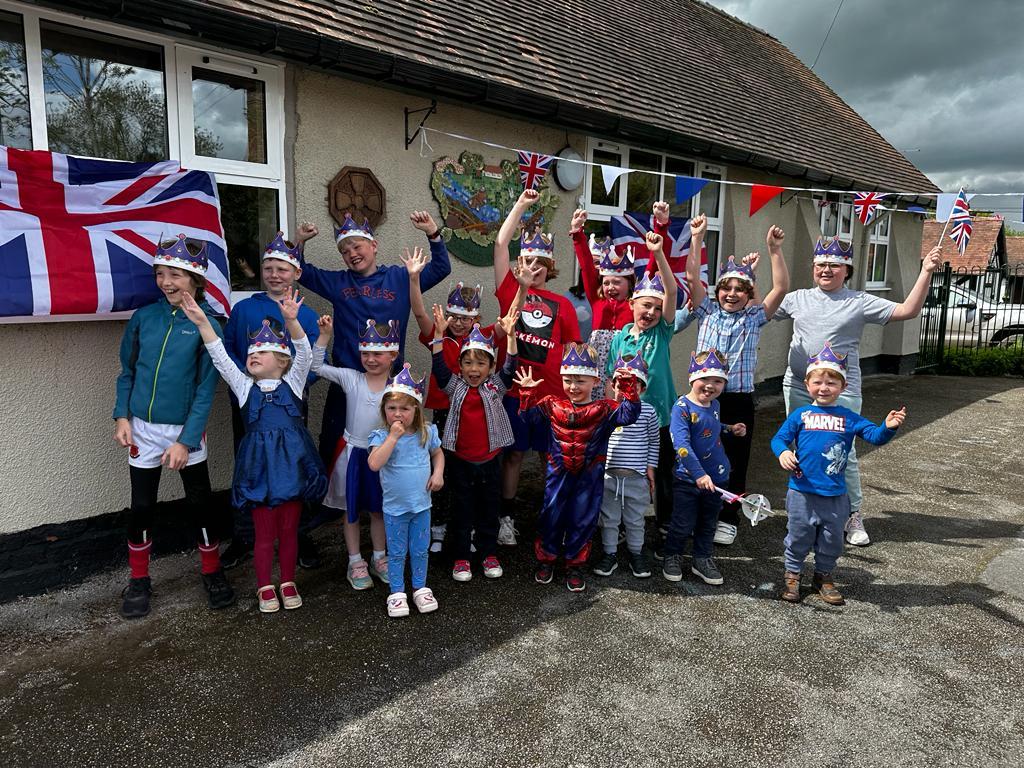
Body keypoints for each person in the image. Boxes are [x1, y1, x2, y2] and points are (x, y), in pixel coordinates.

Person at [773, 238, 941, 546]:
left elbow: (907, 310)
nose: (826, 270)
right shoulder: (797, 298)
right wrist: (774, 253)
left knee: (842, 453)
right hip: (798, 385)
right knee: (802, 449)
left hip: (843, 390)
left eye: (834, 265)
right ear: (813, 268)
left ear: (846, 270)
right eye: (821, 264)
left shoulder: (859, 301)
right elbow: (765, 306)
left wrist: (926, 271)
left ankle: (851, 514)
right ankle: (804, 512)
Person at [294, 211, 450, 527]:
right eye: (345, 250)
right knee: (334, 439)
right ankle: (332, 503)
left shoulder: (400, 277)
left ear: (374, 246)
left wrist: (433, 234)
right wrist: (299, 241)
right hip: (347, 378)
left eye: (358, 246)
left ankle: (384, 500)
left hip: (390, 384)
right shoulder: (339, 283)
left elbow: (441, 268)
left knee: (391, 439)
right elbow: (301, 272)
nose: (352, 254)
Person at [180, 289, 327, 613]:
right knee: (263, 534)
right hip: (260, 471)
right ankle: (264, 586)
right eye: (251, 352)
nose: (254, 355)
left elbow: (304, 351)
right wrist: (204, 323)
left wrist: (291, 321)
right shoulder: (244, 387)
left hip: (293, 469)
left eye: (263, 350)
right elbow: (220, 356)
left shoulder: (295, 382)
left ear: (282, 360)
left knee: (289, 531)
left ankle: (287, 581)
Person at [112, 235, 234, 618]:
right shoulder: (143, 319)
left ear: (196, 280)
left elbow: (205, 390)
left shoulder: (208, 324)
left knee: (200, 505)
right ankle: (139, 579)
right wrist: (121, 416)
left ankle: (212, 572)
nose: (167, 282)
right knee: (142, 507)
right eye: (161, 274)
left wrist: (184, 440)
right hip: (142, 431)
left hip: (186, 433)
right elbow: (127, 372)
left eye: (176, 275)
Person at [406, 249, 534, 554]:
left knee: (476, 478)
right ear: (448, 315)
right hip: (443, 412)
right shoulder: (439, 335)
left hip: (478, 415)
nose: (461, 323)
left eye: (467, 318)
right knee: (442, 474)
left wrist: (524, 287)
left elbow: (510, 319)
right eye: (456, 317)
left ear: (476, 318)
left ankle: (476, 528)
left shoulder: (485, 337)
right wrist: (413, 280)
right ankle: (439, 528)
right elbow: (420, 314)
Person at [771, 343, 905, 604]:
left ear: (843, 387)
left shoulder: (849, 416)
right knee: (798, 536)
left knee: (832, 541)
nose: (824, 388)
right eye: (818, 382)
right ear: (807, 385)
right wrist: (783, 453)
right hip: (801, 491)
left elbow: (874, 437)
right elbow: (779, 439)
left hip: (835, 494)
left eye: (831, 383)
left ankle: (823, 576)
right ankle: (792, 575)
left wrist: (887, 427)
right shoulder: (801, 414)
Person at [684, 217, 789, 546]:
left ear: (749, 294)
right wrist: (697, 238)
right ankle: (698, 512)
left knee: (733, 461)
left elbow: (781, 288)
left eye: (739, 289)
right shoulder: (707, 312)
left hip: (738, 400)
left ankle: (727, 517)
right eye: (726, 288)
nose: (732, 294)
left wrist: (774, 251)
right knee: (697, 457)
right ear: (717, 292)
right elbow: (690, 277)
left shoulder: (754, 318)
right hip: (702, 399)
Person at [220, 233, 322, 570]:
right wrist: (247, 385)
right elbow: (232, 352)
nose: (275, 274)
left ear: (295, 274)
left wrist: (293, 388)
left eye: (282, 269)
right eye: (269, 268)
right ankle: (244, 535)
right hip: (251, 404)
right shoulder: (245, 309)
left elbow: (311, 362)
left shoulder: (305, 316)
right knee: (249, 466)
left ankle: (300, 534)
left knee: (294, 466)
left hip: (291, 405)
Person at [493, 189, 581, 546]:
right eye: (527, 260)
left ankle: (552, 517)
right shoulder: (509, 290)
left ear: (550, 267)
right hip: (515, 392)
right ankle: (506, 517)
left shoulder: (564, 304)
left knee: (552, 458)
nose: (533, 267)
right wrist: (521, 205)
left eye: (540, 263)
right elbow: (500, 244)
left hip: (552, 397)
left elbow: (573, 350)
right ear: (519, 264)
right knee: (513, 455)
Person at [515, 343, 640, 592]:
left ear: (595, 381)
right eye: (568, 380)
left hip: (589, 475)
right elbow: (527, 419)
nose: (573, 387)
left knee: (583, 519)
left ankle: (575, 564)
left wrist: (628, 391)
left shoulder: (604, 409)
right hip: (557, 473)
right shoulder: (551, 404)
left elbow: (629, 416)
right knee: (551, 515)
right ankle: (546, 559)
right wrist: (527, 395)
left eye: (580, 381)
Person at [431, 306, 520, 582]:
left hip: (490, 460)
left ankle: (488, 553)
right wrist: (437, 334)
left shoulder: (496, 386)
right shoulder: (454, 386)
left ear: (491, 367)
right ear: (460, 365)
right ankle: (461, 559)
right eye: (468, 363)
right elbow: (439, 368)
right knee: (462, 511)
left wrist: (512, 336)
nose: (474, 369)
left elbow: (510, 367)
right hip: (461, 461)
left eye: (481, 363)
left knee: (489, 509)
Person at [311, 315, 395, 590]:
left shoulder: (397, 388)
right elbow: (315, 366)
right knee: (351, 512)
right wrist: (324, 337)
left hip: (382, 456)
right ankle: (355, 560)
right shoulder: (351, 378)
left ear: (393, 354)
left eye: (378, 354)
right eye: (366, 353)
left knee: (379, 510)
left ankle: (380, 558)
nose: (371, 359)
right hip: (352, 455)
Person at [605, 230, 678, 540]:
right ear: (632, 303)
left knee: (663, 472)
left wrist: (658, 254)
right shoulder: (620, 338)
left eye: (656, 308)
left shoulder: (661, 333)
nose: (651, 312)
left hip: (660, 416)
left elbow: (672, 292)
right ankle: (621, 523)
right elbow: (611, 379)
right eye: (645, 305)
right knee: (626, 470)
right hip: (627, 419)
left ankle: (665, 523)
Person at [367, 365, 444, 618]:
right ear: (384, 410)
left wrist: (438, 473)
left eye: (405, 408)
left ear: (416, 410)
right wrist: (393, 437)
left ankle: (420, 588)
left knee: (420, 549)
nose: (398, 414)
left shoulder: (426, 432)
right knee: (397, 552)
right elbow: (375, 463)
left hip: (422, 505)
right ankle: (397, 592)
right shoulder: (380, 436)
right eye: (392, 408)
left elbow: (438, 453)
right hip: (395, 509)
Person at [665, 349, 747, 586]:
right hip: (688, 480)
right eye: (705, 379)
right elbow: (681, 445)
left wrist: (729, 428)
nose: (711, 386)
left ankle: (702, 559)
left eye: (718, 381)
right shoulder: (681, 408)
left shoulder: (714, 404)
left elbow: (709, 426)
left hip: (718, 479)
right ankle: (672, 556)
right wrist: (699, 474)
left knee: (708, 523)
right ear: (692, 377)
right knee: (682, 522)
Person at [592, 353, 659, 579]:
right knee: (609, 518)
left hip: (635, 477)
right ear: (613, 385)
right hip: (608, 476)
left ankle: (636, 553)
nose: (626, 389)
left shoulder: (648, 412)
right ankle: (609, 554)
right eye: (621, 384)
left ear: (642, 388)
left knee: (635, 519)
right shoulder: (606, 409)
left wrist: (650, 468)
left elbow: (653, 441)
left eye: (633, 384)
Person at [569, 207, 636, 399]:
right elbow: (587, 267)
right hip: (596, 362)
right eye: (606, 282)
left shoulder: (634, 303)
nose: (610, 287)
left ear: (629, 283)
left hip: (623, 359)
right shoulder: (597, 300)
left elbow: (651, 269)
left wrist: (660, 228)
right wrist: (577, 233)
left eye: (617, 282)